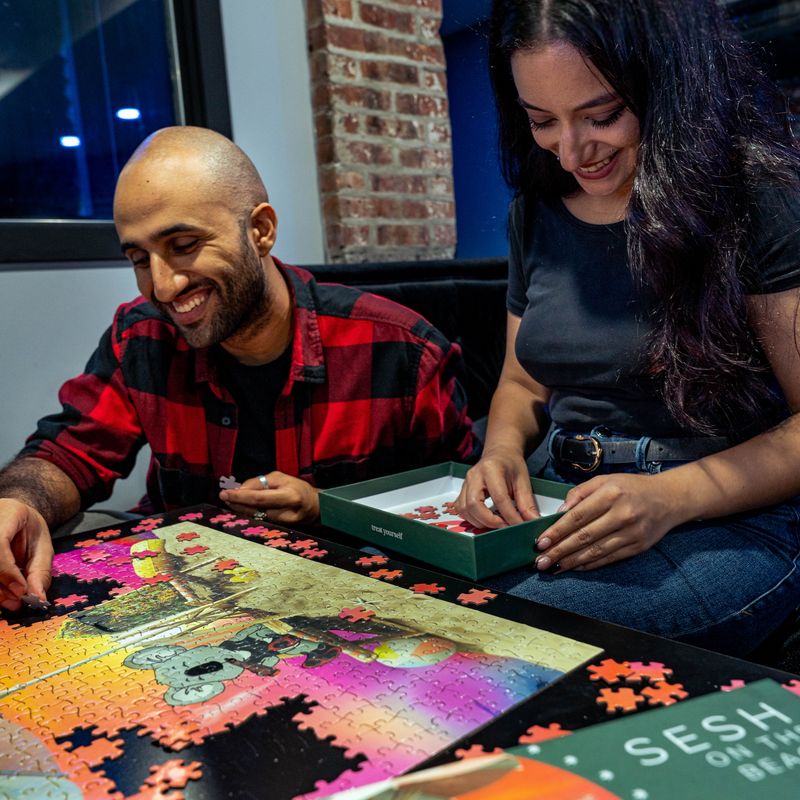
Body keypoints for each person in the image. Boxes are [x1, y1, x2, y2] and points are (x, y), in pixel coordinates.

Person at [0, 126, 474, 612]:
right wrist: (18, 504)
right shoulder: (141, 336)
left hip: (349, 598)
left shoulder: (401, 351)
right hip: (189, 591)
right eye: (140, 259)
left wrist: (327, 512)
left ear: (260, 230)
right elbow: (68, 453)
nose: (162, 287)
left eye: (184, 244)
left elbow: (454, 519)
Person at [456, 0, 800, 657]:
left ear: (667, 87)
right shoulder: (535, 213)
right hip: (558, 497)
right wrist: (499, 453)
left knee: (497, 641)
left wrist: (669, 497)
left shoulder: (755, 196)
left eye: (603, 115)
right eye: (541, 121)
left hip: (721, 515)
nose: (570, 151)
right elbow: (521, 382)